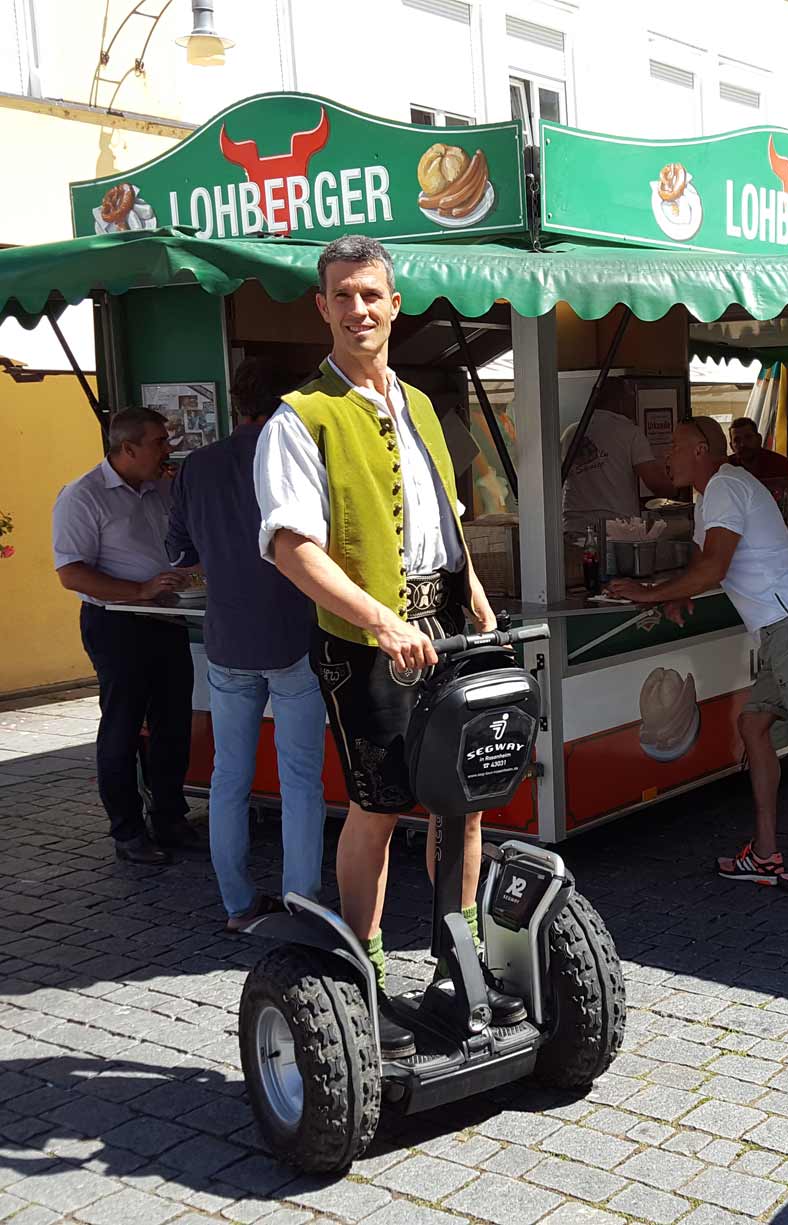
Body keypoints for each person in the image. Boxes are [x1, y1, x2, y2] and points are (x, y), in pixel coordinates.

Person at [253, 234, 524, 1058]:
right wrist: (379, 619)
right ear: (322, 306)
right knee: (380, 798)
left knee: (463, 796)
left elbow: (446, 517)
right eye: (343, 295)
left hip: (442, 624)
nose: (359, 309)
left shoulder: (419, 406)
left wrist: (473, 592)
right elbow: (290, 547)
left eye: (372, 294)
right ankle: (364, 968)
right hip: (364, 640)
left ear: (394, 303)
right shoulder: (301, 416)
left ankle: (459, 955)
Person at [609, 416, 788, 894]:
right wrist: (675, 593)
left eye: (676, 447)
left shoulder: (724, 486)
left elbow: (713, 568)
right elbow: (706, 566)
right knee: (754, 725)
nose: (667, 458)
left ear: (702, 449)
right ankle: (765, 853)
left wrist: (650, 593)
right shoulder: (716, 494)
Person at [165, 358, 328, 933]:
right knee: (300, 779)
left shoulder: (196, 467)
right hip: (292, 634)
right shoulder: (296, 456)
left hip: (227, 638)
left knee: (228, 778)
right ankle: (300, 903)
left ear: (234, 401)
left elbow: (180, 553)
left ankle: (237, 904)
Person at [52, 407, 199, 864]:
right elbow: (71, 572)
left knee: (173, 725)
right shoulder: (83, 495)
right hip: (117, 624)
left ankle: (170, 816)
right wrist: (139, 589)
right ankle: (128, 831)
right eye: (159, 442)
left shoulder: (162, 488)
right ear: (128, 447)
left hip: (167, 620)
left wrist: (187, 572)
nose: (167, 449)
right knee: (122, 727)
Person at [562, 377, 675, 531]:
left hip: (574, 525)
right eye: (630, 397)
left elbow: (557, 478)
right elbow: (655, 483)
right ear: (619, 401)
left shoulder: (571, 432)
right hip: (616, 527)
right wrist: (676, 489)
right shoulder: (629, 432)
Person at [729, 417, 788, 495]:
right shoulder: (727, 468)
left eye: (748, 437)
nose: (742, 444)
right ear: (731, 446)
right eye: (737, 440)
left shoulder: (779, 464)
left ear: (759, 439)